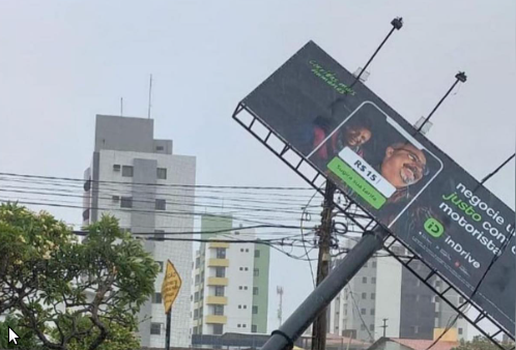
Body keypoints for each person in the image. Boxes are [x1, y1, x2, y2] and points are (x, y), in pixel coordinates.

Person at [308, 115, 373, 168]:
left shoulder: (358, 162)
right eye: (356, 130)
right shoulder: (322, 133)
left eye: (363, 138)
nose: (357, 137)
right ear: (349, 126)